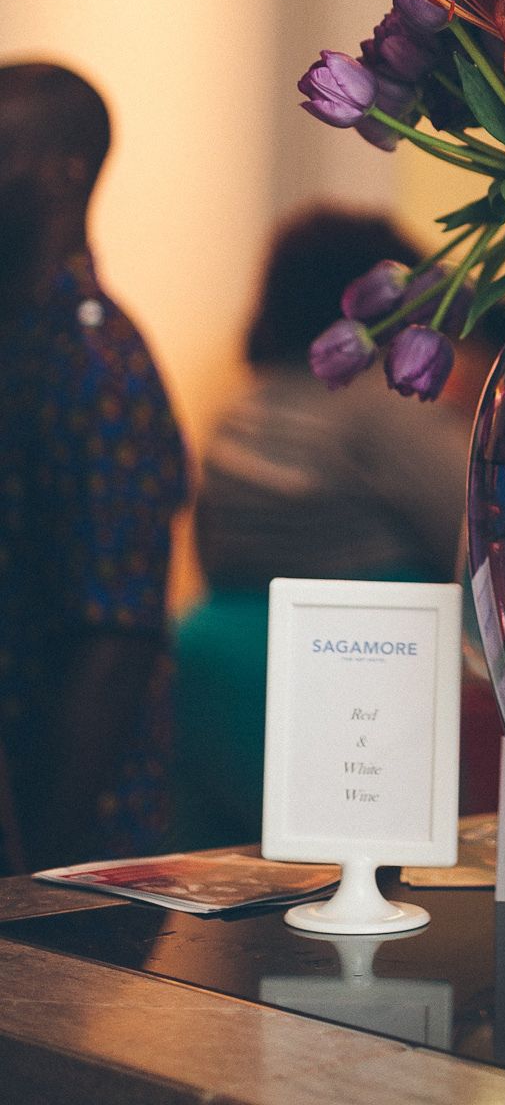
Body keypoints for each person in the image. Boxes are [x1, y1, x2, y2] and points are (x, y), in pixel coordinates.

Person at [176, 206, 495, 843]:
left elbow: (213, 552)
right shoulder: (382, 409)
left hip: (209, 679)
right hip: (350, 688)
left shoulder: (245, 409)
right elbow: (475, 545)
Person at [0, 61, 187, 871]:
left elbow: (116, 637)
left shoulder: (96, 363)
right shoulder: (27, 341)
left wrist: (36, 870)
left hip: (68, 848)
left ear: (63, 171)